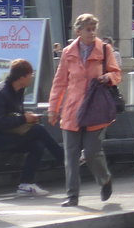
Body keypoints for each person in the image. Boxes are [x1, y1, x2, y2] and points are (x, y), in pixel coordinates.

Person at [48, 13, 122, 207]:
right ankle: (72, 196)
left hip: (95, 108)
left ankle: (105, 179)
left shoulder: (105, 49)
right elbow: (60, 82)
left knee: (91, 152)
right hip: (72, 109)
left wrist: (108, 77)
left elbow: (116, 74)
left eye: (93, 29)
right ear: (78, 31)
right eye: (87, 29)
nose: (91, 33)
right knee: (70, 155)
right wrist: (53, 108)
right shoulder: (68, 52)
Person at [0, 59, 63, 196]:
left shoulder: (19, 90)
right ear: (22, 77)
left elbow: (14, 114)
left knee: (37, 144)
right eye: (30, 75)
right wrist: (24, 119)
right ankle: (65, 159)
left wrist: (27, 117)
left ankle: (25, 184)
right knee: (38, 130)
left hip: (8, 134)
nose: (32, 77)